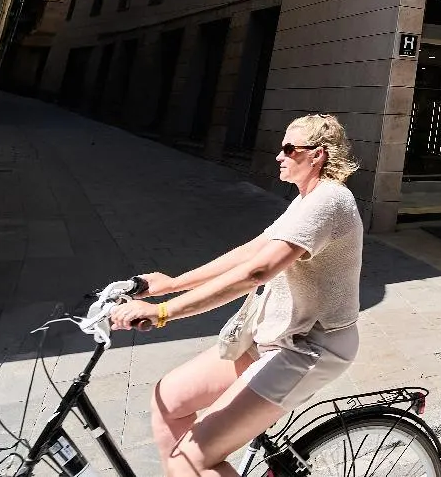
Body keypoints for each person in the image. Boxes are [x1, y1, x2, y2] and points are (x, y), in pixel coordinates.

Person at [109, 114, 364, 477]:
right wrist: (172, 283)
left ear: (317, 155)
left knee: (189, 460)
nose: (279, 156)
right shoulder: (305, 200)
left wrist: (164, 311)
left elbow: (256, 272)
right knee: (168, 400)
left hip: (308, 347)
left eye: (289, 149)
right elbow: (252, 251)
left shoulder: (330, 201)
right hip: (271, 334)